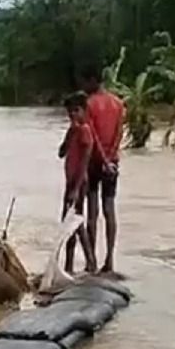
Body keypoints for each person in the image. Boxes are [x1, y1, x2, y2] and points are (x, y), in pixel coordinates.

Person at [80, 66, 125, 274]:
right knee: (110, 209)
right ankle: (110, 260)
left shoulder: (89, 104)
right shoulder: (118, 103)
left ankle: (93, 262)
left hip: (95, 162)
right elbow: (119, 133)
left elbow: (93, 136)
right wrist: (111, 157)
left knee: (92, 211)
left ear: (92, 81)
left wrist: (103, 159)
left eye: (85, 82)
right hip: (113, 161)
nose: (84, 86)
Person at [59, 92, 99, 274]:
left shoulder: (85, 131)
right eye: (70, 112)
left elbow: (85, 161)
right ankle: (70, 264)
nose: (73, 115)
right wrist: (68, 136)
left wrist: (75, 189)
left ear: (84, 111)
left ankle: (90, 261)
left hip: (79, 182)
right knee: (70, 223)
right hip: (71, 181)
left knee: (73, 222)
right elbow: (61, 153)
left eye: (76, 111)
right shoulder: (74, 130)